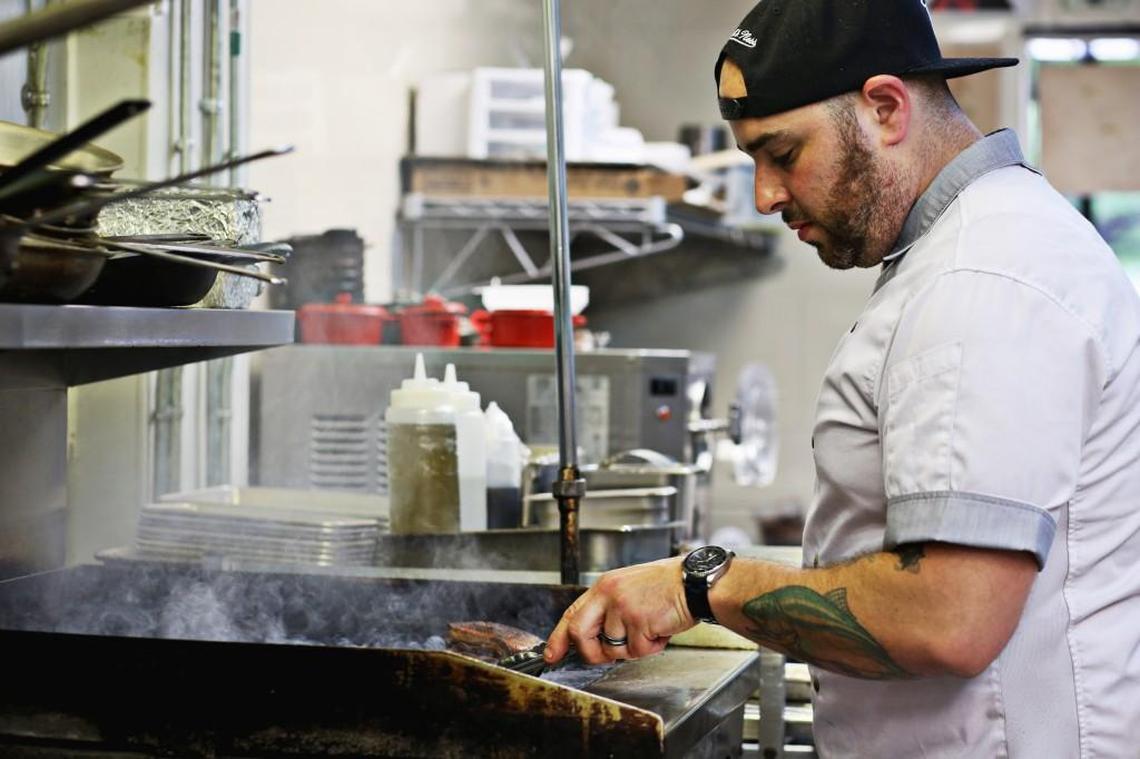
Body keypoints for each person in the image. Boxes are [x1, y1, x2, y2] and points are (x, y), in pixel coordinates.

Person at [543, 1, 1140, 756]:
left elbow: (946, 617)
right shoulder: (972, 252)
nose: (764, 194)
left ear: (887, 107)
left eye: (782, 152)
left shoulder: (982, 276)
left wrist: (701, 584)